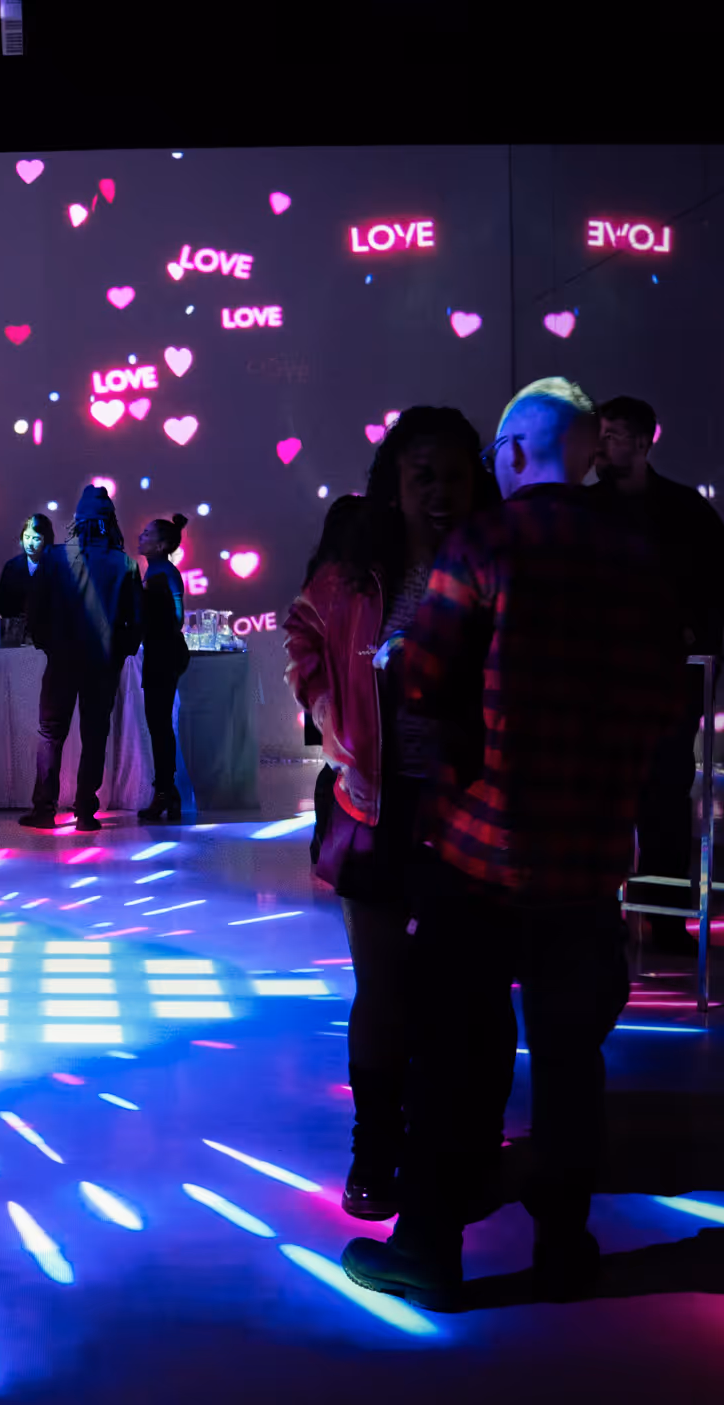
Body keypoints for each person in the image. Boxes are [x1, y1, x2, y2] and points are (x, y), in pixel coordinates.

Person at [341, 379, 684, 1309]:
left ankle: (431, 1251)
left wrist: (409, 676)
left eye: (494, 454)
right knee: (573, 1063)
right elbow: (664, 705)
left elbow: (428, 681)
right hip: (589, 860)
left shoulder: (486, 543)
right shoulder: (639, 555)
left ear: (519, 452)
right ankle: (566, 1247)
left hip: (483, 854)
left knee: (460, 1054)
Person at [284, 409, 490, 1222]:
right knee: (381, 989)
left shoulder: (494, 561)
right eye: (422, 475)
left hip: (470, 804)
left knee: (459, 991)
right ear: (394, 483)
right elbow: (302, 633)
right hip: (374, 801)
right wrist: (328, 708)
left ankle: (449, 1151)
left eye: (454, 474)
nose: (440, 492)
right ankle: (375, 1152)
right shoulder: (359, 570)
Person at [594, 395, 724, 956]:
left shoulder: (686, 513)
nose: (602, 446)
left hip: (668, 686)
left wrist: (693, 641)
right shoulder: (586, 508)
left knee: (664, 798)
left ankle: (662, 918)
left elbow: (716, 597)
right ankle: (608, 915)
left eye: (614, 436)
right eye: (599, 434)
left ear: (645, 441)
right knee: (604, 800)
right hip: (603, 684)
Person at [25, 485, 142, 832]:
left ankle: (44, 808)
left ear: (77, 520)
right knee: (94, 735)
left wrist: (48, 645)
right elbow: (136, 623)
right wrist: (118, 652)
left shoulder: (54, 558)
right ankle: (86, 811)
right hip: (102, 666)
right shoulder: (125, 564)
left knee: (50, 733)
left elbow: (34, 611)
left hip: (61, 660)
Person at [136, 514, 192, 824]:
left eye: (146, 534)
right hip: (162, 655)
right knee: (159, 725)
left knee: (159, 725)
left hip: (163, 656)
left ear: (160, 545)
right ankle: (167, 792)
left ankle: (166, 792)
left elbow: (177, 617)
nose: (140, 537)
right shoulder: (159, 571)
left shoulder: (162, 573)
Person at [0, 513, 54, 626]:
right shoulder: (12, 566)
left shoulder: (55, 566)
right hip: (16, 631)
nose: (29, 543)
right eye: (27, 537)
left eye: (36, 539)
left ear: (46, 540)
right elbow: (0, 604)